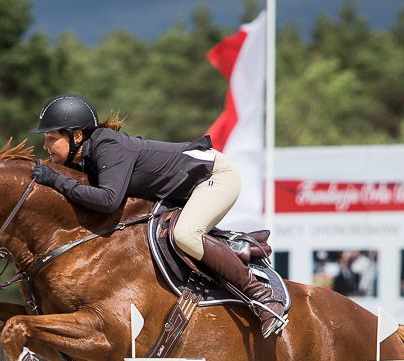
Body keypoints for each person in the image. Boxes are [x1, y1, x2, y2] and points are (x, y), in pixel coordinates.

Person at [28, 94, 286, 337]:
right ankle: (234, 248)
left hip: (215, 177)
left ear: (76, 136)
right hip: (184, 189)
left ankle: (262, 296)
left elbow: (108, 200)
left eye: (51, 138)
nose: (45, 146)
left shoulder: (107, 146)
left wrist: (56, 180)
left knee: (186, 235)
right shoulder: (84, 157)